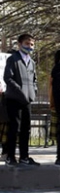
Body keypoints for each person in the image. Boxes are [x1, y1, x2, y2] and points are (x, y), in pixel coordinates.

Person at [3, 34, 40, 166]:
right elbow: (8, 78)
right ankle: (10, 156)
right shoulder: (13, 59)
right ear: (19, 44)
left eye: (31, 44)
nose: (29, 46)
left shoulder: (32, 62)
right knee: (14, 127)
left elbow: (34, 80)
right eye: (27, 43)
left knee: (26, 128)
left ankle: (24, 156)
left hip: (27, 100)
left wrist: (33, 92)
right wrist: (20, 91)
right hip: (14, 99)